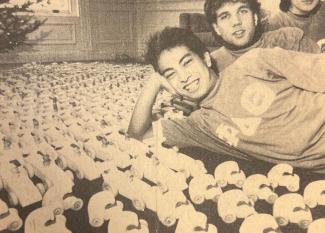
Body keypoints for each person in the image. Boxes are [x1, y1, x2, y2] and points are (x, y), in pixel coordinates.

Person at [128, 27, 325, 173]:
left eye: (187, 63)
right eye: (171, 74)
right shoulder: (201, 124)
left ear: (206, 59)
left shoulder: (254, 62)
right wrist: (153, 81)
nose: (183, 77)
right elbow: (137, 133)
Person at [204, 0, 320, 72]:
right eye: (225, 16)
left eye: (243, 11)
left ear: (255, 18)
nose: (236, 22)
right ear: (216, 28)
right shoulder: (212, 64)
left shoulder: (290, 39)